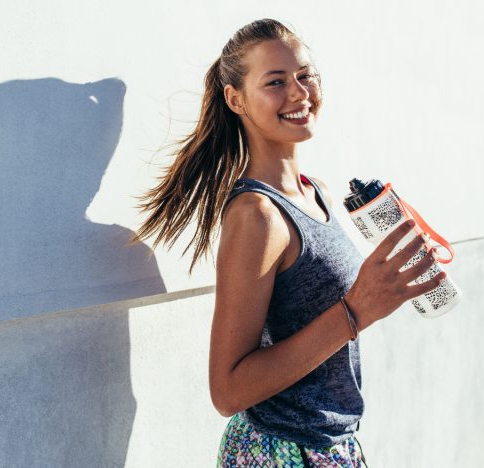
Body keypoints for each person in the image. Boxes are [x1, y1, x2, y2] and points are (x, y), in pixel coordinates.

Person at [130, 18, 445, 467]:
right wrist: (356, 309)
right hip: (281, 451)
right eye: (276, 82)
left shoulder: (316, 192)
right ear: (235, 99)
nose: (299, 93)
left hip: (330, 445)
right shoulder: (256, 216)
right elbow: (228, 390)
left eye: (305, 75)